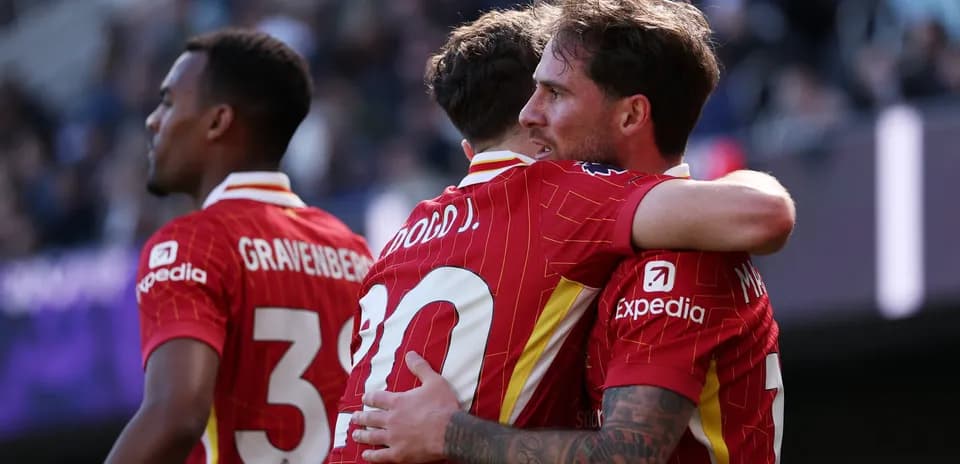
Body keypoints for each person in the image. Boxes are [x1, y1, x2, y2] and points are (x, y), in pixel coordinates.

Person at [333, 2, 791, 463]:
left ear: (631, 116)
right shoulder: (606, 244)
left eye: (554, 93)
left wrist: (451, 433)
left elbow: (625, 456)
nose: (529, 114)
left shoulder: (677, 256)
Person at [106, 29, 373, 464]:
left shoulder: (190, 243)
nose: (154, 119)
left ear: (217, 122)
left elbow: (176, 415)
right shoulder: (358, 254)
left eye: (169, 101)